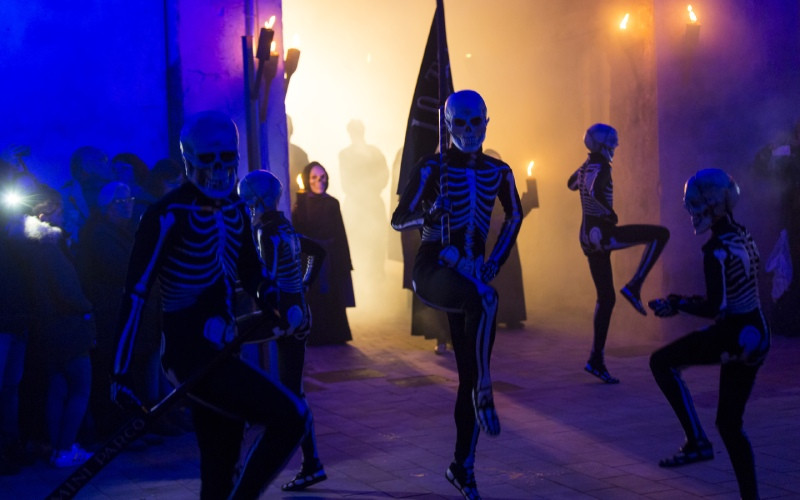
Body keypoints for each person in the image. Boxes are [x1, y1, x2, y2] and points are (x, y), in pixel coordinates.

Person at [111, 110, 308, 499]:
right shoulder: (167, 215)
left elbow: (250, 269)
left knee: (220, 460)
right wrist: (119, 374)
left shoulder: (234, 209)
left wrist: (273, 298)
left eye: (227, 159)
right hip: (187, 356)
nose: (220, 171)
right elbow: (136, 295)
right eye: (208, 161)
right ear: (189, 161)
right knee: (290, 416)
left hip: (224, 348)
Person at [391, 89, 522, 499]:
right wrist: (429, 213)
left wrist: (494, 261)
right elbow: (399, 219)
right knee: (485, 300)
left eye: (475, 122)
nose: (467, 131)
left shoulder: (500, 172)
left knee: (466, 368)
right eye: (459, 123)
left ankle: (461, 466)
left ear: (486, 122)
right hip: (434, 266)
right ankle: (486, 386)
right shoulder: (432, 167)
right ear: (447, 126)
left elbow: (515, 215)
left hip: (471, 272)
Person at [648, 169, 770, 500]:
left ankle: (696, 441)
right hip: (756, 332)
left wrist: (676, 304)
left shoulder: (715, 248)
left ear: (713, 205)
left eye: (698, 204)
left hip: (732, 332)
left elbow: (718, 306)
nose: (693, 212)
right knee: (731, 425)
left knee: (661, 362)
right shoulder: (743, 235)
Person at [238, 169, 328, 492]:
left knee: (228, 340)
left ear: (256, 199)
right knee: (294, 390)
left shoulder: (264, 232)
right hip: (298, 313)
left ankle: (249, 414)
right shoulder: (284, 227)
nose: (245, 204)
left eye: (248, 198)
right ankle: (311, 462)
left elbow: (269, 278)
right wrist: (303, 286)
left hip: (284, 317)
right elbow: (317, 252)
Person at [567, 123, 670, 383]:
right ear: (602, 145)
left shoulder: (585, 167)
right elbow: (593, 190)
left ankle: (596, 359)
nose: (614, 148)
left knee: (606, 297)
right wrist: (607, 212)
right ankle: (635, 286)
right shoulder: (601, 168)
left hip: (586, 237)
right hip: (602, 234)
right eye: (611, 144)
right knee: (660, 235)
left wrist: (585, 169)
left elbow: (571, 184)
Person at [28, 188, 96, 468]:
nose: (64, 215)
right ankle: (65, 448)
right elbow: (67, 289)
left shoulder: (31, 248)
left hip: (47, 329)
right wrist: (87, 307)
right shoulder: (51, 248)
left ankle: (59, 447)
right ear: (44, 215)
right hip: (67, 328)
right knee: (80, 387)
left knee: (57, 388)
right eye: (59, 211)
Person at [292, 161, 355, 345]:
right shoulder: (301, 205)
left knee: (332, 297)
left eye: (322, 177)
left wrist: (344, 261)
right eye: (313, 177)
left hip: (331, 257)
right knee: (314, 297)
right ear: (307, 179)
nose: (318, 181)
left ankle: (335, 335)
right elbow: (299, 231)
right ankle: (314, 336)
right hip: (310, 260)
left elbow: (340, 233)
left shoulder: (332, 203)